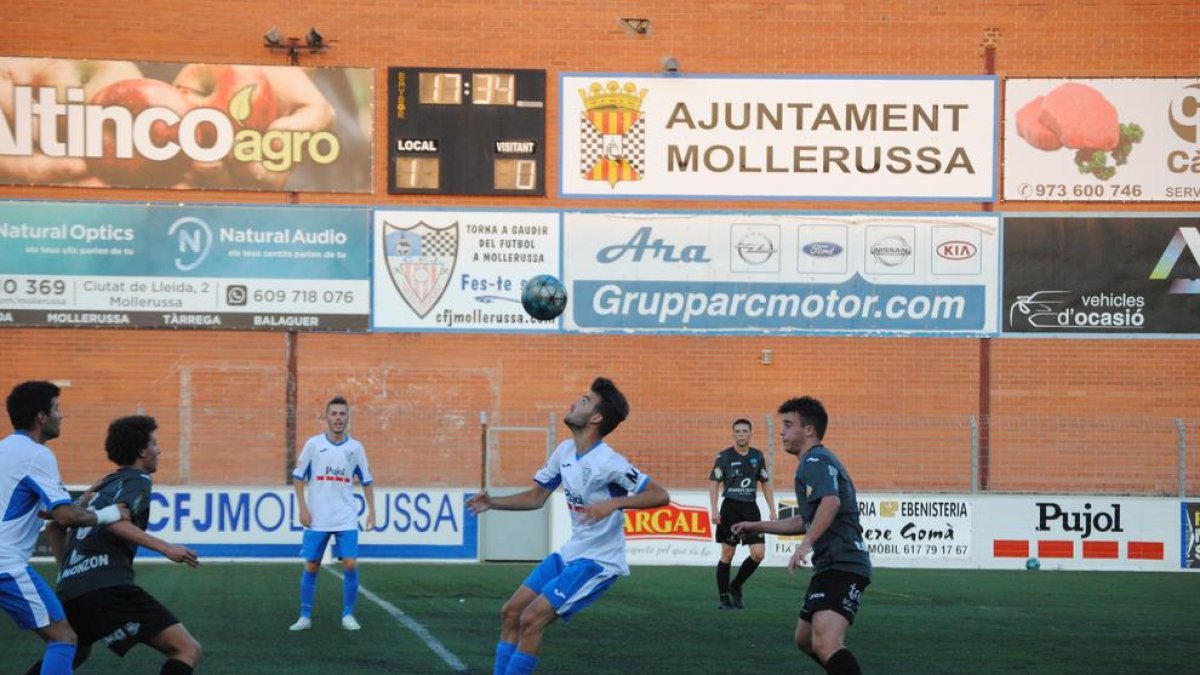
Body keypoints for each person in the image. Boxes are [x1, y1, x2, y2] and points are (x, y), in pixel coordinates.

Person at [467, 377, 669, 675]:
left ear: (596, 418)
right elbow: (537, 497)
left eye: (585, 401)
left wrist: (612, 504)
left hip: (598, 562)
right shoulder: (564, 451)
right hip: (570, 553)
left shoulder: (609, 462)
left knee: (531, 619)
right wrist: (493, 503)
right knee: (511, 612)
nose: (575, 402)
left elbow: (659, 494)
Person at [26, 415, 202, 675]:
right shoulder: (138, 480)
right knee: (186, 649)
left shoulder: (102, 485)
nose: (159, 449)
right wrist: (167, 548)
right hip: (107, 586)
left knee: (73, 652)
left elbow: (54, 527)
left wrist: (69, 573)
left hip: (72, 590)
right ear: (142, 451)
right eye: (154, 443)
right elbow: (115, 522)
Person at [733, 397, 871, 675]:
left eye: (787, 425)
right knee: (805, 639)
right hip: (832, 563)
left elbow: (830, 504)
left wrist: (804, 545)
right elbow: (805, 519)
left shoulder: (816, 460)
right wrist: (756, 525)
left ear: (808, 430)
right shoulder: (814, 461)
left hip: (844, 562)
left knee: (826, 642)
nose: (781, 431)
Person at [0, 380, 129, 675]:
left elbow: (38, 508)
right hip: (5, 565)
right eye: (57, 409)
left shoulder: (5, 450)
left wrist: (83, 499)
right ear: (41, 416)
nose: (62, 416)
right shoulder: (37, 454)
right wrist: (110, 513)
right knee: (64, 639)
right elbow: (64, 517)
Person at [289, 396, 376, 632]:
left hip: (346, 517)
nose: (338, 418)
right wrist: (303, 508)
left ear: (347, 417)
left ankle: (348, 614)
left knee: (349, 563)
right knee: (312, 565)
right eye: (334, 414)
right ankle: (305, 616)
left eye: (342, 414)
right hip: (318, 517)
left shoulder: (355, 448)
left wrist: (372, 512)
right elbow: (298, 477)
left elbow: (367, 481)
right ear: (327, 417)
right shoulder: (314, 445)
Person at [709, 417, 776, 609]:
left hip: (750, 509)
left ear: (750, 434)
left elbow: (765, 482)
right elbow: (714, 483)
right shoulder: (724, 457)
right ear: (733, 434)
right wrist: (714, 509)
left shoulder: (758, 456)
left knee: (758, 554)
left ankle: (736, 585)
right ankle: (723, 598)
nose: (741, 434)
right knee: (728, 553)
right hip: (730, 508)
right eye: (737, 431)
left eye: (745, 431)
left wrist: (772, 509)